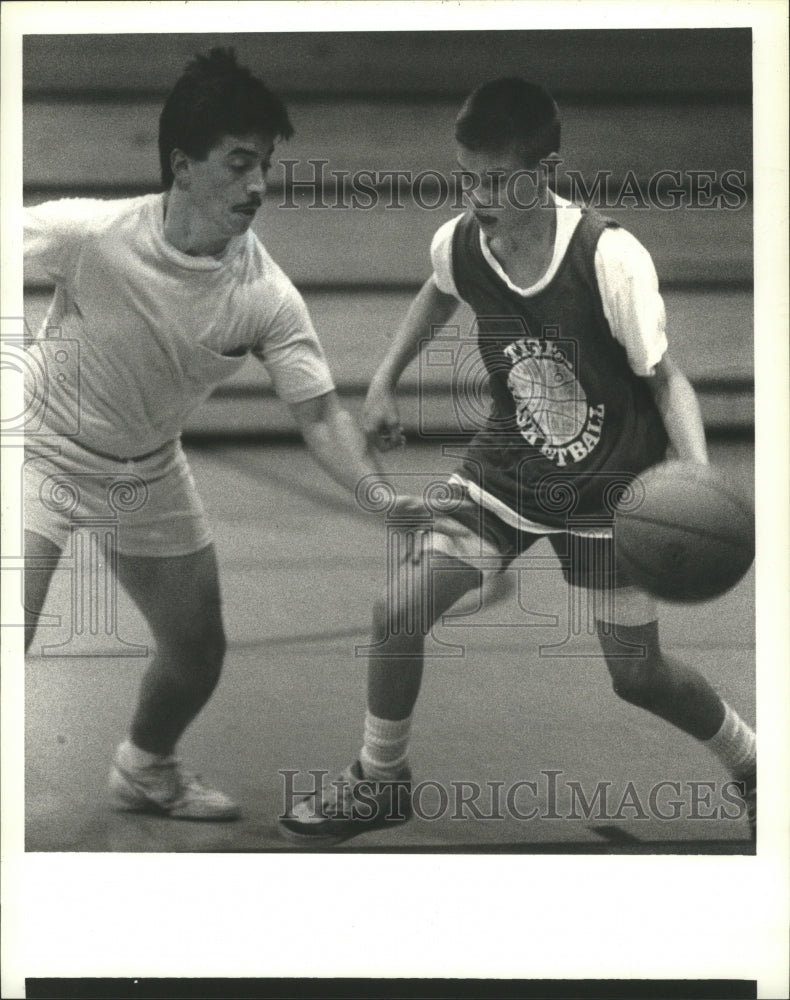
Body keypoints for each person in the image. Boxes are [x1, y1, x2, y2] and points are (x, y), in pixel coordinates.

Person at [279, 77, 757, 843]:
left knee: (639, 677)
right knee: (396, 611)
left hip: (610, 491)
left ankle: (753, 763)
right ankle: (380, 779)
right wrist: (384, 380)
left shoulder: (610, 258)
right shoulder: (462, 239)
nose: (480, 195)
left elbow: (667, 380)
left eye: (498, 179)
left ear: (548, 167)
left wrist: (694, 475)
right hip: (508, 466)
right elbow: (439, 290)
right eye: (468, 177)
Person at [22, 48, 395, 821]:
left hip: (146, 469)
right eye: (237, 163)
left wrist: (383, 499)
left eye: (264, 164)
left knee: (197, 655)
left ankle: (145, 768)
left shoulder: (265, 294)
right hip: (40, 449)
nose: (258, 185)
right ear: (183, 167)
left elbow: (320, 414)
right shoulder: (92, 235)